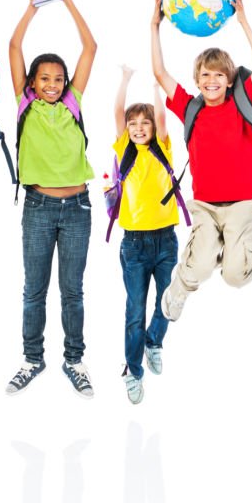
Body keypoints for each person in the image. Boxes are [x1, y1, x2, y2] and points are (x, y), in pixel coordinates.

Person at [150, 0, 252, 323]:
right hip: (204, 206)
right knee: (199, 265)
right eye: (205, 75)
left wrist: (243, 19)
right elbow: (160, 74)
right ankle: (179, 289)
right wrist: (154, 26)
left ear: (230, 79)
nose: (212, 80)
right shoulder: (191, 108)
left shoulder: (242, 101)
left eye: (219, 74)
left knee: (234, 276)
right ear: (197, 81)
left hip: (242, 205)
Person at [4, 0, 98, 397]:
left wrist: (69, 2)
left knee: (72, 290)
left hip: (77, 207)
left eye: (58, 79)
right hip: (39, 207)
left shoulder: (73, 101)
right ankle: (32, 359)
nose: (53, 84)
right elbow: (13, 48)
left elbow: (90, 48)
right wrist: (34, 6)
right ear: (32, 83)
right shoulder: (26, 103)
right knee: (34, 288)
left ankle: (74, 361)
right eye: (45, 79)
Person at [111, 66, 179, 403]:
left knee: (168, 301)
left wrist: (156, 90)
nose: (138, 128)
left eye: (144, 124)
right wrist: (125, 81)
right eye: (134, 124)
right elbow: (117, 115)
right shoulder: (125, 148)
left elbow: (163, 117)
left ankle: (154, 341)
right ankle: (133, 370)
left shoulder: (163, 147)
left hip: (166, 240)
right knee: (134, 309)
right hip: (134, 244)